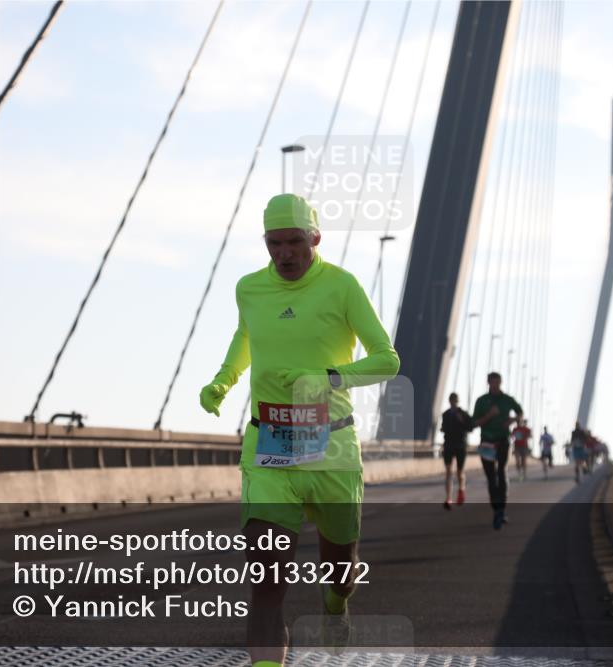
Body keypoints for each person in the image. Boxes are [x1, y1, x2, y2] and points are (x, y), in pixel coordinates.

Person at [199, 194, 400, 667]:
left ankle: (336, 600)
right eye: (274, 243)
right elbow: (245, 336)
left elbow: (387, 360)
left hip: (332, 444)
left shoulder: (342, 286)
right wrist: (222, 381)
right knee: (267, 583)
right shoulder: (250, 288)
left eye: (294, 242)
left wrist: (328, 377)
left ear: (315, 239)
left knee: (340, 570)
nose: (284, 253)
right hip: (269, 445)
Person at [471, 372, 524, 530]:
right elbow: (475, 423)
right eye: (492, 382)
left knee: (501, 472)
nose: (495, 385)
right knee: (491, 477)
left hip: (503, 440)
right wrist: (489, 416)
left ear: (500, 383)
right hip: (487, 442)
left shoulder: (507, 399)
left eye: (497, 383)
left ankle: (501, 509)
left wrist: (513, 420)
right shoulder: (481, 401)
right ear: (488, 383)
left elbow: (520, 412)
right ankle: (496, 509)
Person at [440, 392, 473, 510]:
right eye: (452, 400)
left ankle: (461, 490)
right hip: (448, 445)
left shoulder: (464, 414)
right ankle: (448, 498)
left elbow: (470, 428)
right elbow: (443, 427)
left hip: (460, 445)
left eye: (455, 400)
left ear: (457, 401)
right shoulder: (445, 414)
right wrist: (443, 429)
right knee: (448, 471)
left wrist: (462, 421)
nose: (453, 402)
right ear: (449, 401)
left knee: (459, 472)